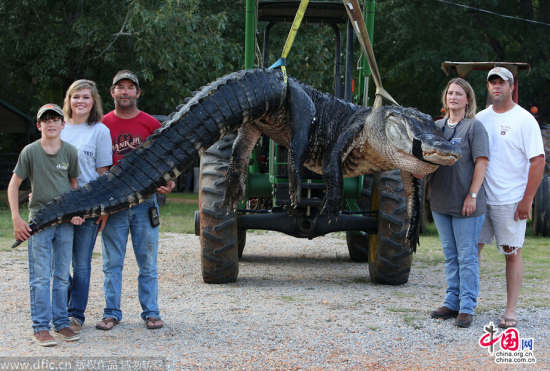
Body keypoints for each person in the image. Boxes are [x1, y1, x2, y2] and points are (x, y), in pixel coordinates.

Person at [96, 70, 175, 331]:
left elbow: (169, 156)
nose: (126, 92)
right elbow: (100, 166)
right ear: (112, 92)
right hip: (115, 204)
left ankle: (151, 313)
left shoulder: (151, 124)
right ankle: (111, 313)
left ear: (138, 93)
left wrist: (170, 179)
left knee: (148, 263)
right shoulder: (102, 124)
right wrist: (105, 203)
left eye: (130, 87)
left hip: (145, 204)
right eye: (121, 87)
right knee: (111, 264)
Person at [8, 104, 83, 346]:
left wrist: (76, 212)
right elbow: (13, 186)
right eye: (46, 120)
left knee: (61, 276)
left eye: (56, 119)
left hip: (64, 223)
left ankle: (61, 322)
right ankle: (40, 327)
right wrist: (16, 218)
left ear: (63, 124)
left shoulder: (70, 151)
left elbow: (74, 186)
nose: (51, 123)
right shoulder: (30, 152)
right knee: (40, 277)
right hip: (39, 223)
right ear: (39, 125)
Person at [477, 67, 545, 329]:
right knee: (472, 250)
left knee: (512, 253)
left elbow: (538, 162)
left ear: (511, 86)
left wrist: (527, 200)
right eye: (492, 83)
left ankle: (510, 311)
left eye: (501, 83)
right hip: (482, 198)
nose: (496, 87)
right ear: (488, 87)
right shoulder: (480, 118)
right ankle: (466, 304)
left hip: (510, 199)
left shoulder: (525, 120)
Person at [429, 78, 490, 328]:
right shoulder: (435, 126)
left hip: (467, 204)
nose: (453, 97)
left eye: (459, 93)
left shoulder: (474, 127)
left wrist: (472, 195)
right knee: (450, 256)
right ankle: (451, 302)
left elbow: (482, 162)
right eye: (450, 93)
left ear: (468, 100)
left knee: (467, 257)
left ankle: (466, 307)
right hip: (441, 202)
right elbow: (428, 158)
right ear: (445, 98)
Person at [61, 80, 113, 333]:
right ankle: (64, 300)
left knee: (81, 263)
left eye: (86, 97)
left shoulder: (99, 130)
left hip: (89, 205)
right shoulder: (57, 127)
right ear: (68, 100)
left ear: (94, 102)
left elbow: (104, 173)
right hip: (59, 204)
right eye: (76, 96)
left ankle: (75, 314)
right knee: (54, 261)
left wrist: (104, 208)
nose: (80, 101)